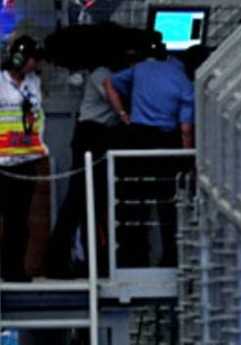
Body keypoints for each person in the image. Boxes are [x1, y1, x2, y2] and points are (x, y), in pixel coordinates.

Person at [45, 41, 143, 278]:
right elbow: (116, 97)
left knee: (92, 199)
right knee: (78, 198)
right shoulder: (103, 74)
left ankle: (91, 258)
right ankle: (60, 259)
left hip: (99, 137)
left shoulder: (108, 74)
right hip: (90, 136)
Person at [104, 36, 194, 267]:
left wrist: (123, 114)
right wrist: (187, 161)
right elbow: (185, 129)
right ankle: (172, 259)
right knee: (169, 205)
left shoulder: (139, 69)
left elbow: (110, 83)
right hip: (168, 142)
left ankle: (133, 258)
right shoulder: (183, 80)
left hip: (138, 138)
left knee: (135, 202)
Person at [0, 35, 49, 282]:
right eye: (32, 60)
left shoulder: (33, 84)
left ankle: (13, 269)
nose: (35, 65)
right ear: (20, 58)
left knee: (19, 220)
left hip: (24, 162)